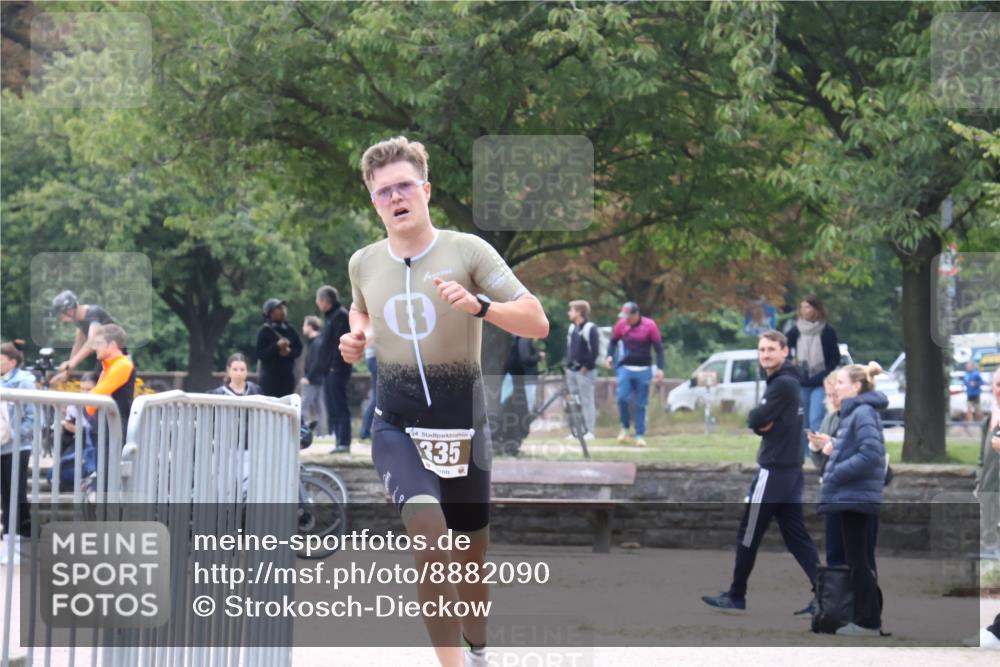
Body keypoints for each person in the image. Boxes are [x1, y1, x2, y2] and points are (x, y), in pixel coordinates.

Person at [339, 136, 548, 667]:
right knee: (430, 536)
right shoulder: (363, 262)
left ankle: (478, 649)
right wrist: (358, 335)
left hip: (465, 431)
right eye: (384, 191)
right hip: (397, 427)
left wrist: (481, 307)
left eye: (405, 186)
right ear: (374, 202)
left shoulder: (467, 251)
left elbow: (536, 321)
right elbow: (361, 309)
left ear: (426, 190)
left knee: (471, 558)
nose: (396, 197)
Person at [702, 330, 819, 615]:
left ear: (785, 351)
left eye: (771, 349)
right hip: (790, 470)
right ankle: (826, 595)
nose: (765, 355)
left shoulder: (782, 384)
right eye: (762, 350)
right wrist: (762, 424)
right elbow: (763, 422)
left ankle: (736, 595)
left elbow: (755, 418)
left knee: (749, 531)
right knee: (796, 536)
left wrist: (759, 423)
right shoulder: (790, 381)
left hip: (774, 470)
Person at [815, 362, 888, 637]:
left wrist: (837, 472)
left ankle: (867, 622)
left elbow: (871, 454)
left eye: (841, 383)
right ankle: (864, 617)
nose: (836, 387)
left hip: (856, 497)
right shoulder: (855, 413)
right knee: (858, 561)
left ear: (857, 387)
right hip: (851, 496)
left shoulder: (863, 412)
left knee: (859, 562)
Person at [786, 296, 840, 457]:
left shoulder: (827, 331)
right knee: (802, 420)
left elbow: (834, 358)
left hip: (820, 382)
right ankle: (804, 454)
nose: (804, 310)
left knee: (816, 418)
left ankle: (817, 452)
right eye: (802, 307)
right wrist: (793, 364)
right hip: (802, 381)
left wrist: (825, 374)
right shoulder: (796, 330)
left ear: (817, 309)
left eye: (808, 307)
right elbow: (784, 350)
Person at [605, 302, 664, 448]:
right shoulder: (621, 324)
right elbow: (613, 342)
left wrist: (660, 368)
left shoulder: (649, 326)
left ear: (636, 314)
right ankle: (625, 427)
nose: (626, 319)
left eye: (628, 316)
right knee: (622, 398)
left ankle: (639, 435)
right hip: (625, 367)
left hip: (644, 369)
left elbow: (659, 348)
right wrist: (609, 356)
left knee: (640, 403)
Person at [1, 341, 36, 565]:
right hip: (2, 445)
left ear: (13, 362)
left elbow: (33, 416)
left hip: (17, 446)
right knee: (6, 496)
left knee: (17, 494)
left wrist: (15, 435)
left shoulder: (23, 382)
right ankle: (9, 544)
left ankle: (22, 544)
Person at [49, 290, 117, 382]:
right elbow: (78, 344)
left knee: (95, 384)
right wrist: (67, 372)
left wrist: (72, 362)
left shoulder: (93, 312)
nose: (62, 320)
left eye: (61, 316)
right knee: (93, 383)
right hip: (105, 357)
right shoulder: (79, 320)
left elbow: (92, 342)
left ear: (69, 311)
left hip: (117, 356)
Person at [84, 324, 136, 443]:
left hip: (113, 431)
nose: (95, 347)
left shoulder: (122, 365)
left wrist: (83, 411)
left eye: (99, 343)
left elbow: (94, 398)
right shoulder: (110, 365)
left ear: (112, 345)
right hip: (107, 429)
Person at [315, 285, 352, 451]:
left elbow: (339, 342)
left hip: (336, 369)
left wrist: (334, 366)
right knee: (333, 406)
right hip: (329, 370)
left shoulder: (340, 315)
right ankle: (338, 441)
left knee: (340, 405)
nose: (317, 303)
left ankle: (344, 442)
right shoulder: (331, 316)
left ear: (324, 301)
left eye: (318, 300)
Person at [51, 372, 99, 493]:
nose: (85, 393)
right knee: (54, 474)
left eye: (89, 389)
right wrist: (69, 427)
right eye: (82, 389)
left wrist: (83, 429)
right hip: (77, 449)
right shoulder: (74, 406)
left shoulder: (103, 406)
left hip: (93, 450)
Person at [255, 298, 303, 398]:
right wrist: (276, 347)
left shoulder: (290, 330)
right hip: (270, 378)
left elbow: (299, 349)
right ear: (270, 313)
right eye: (279, 308)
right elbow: (260, 354)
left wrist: (289, 352)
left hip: (287, 376)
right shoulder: (264, 331)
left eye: (283, 308)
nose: (283, 310)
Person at [975, 372, 1000, 556]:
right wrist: (979, 482)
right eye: (998, 385)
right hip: (988, 495)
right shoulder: (988, 421)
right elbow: (981, 459)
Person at [566, 300, 599, 440]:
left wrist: (586, 366)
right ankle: (576, 431)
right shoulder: (572, 328)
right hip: (571, 370)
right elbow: (569, 349)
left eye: (572, 310)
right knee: (574, 402)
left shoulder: (590, 328)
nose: (569, 313)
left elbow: (595, 351)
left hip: (585, 371)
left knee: (587, 401)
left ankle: (589, 431)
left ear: (579, 312)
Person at [300, 316, 328, 434]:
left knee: (303, 406)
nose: (303, 328)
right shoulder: (317, 341)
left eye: (304, 325)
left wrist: (308, 377)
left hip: (312, 380)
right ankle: (321, 433)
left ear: (310, 327)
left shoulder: (317, 342)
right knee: (319, 406)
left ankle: (305, 431)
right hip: (318, 379)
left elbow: (317, 362)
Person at [359, 342, 378, 441]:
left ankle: (365, 431)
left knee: (376, 397)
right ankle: (365, 432)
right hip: (375, 358)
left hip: (373, 358)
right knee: (377, 398)